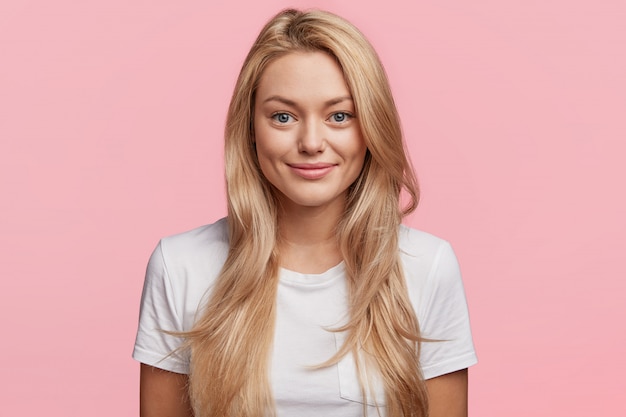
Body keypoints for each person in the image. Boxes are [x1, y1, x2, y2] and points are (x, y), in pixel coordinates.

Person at [133, 8, 477, 417]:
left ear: (371, 125)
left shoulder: (428, 266)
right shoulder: (180, 266)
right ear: (250, 129)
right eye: (283, 116)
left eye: (339, 116)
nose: (312, 142)